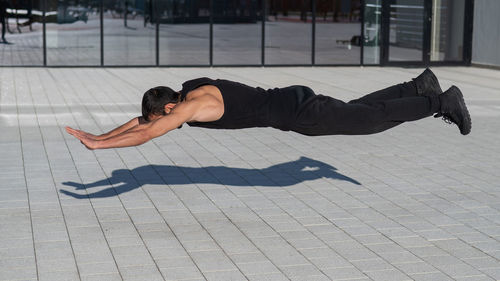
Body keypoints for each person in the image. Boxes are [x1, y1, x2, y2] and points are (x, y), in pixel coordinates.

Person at [66, 68, 472, 150]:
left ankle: (440, 100)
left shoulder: (191, 107)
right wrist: (99, 134)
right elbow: (144, 122)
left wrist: (101, 149)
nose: (169, 123)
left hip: (294, 114)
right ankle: (417, 87)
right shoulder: (189, 89)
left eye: (167, 117)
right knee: (356, 111)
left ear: (171, 107)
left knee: (369, 121)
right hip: (289, 102)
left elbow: (149, 132)